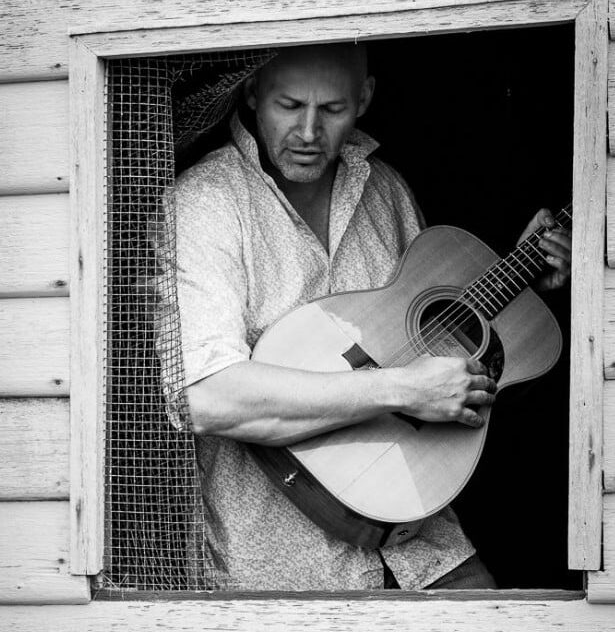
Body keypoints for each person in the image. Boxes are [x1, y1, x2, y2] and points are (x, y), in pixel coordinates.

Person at [162, 43, 571, 590]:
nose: (308, 131)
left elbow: (432, 352)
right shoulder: (206, 205)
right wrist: (400, 390)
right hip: (279, 563)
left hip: (423, 543)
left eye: (332, 110)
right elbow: (206, 398)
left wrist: (518, 284)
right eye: (289, 105)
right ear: (253, 92)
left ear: (365, 98)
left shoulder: (386, 190)